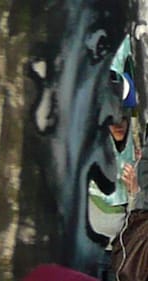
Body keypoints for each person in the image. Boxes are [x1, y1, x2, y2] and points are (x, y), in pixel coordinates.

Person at [87, 60, 139, 280]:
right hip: (89, 251)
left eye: (123, 119)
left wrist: (135, 191)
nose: (119, 124)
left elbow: (138, 218)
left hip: (122, 252)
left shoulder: (138, 152)